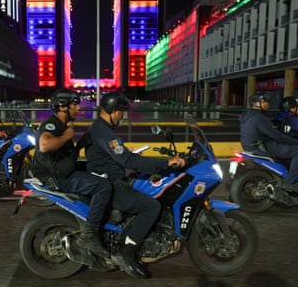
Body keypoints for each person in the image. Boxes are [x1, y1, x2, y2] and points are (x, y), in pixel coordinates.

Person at [84, 91, 185, 279]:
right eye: (121, 112)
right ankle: (126, 252)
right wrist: (165, 162)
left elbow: (116, 156)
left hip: (107, 176)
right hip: (109, 183)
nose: (122, 116)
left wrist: (127, 160)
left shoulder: (99, 128)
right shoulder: (104, 131)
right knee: (151, 206)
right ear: (113, 110)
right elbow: (127, 159)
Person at [31, 88, 113, 258]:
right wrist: (67, 137)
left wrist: (81, 144)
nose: (78, 109)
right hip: (58, 178)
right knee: (103, 186)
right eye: (74, 105)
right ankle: (90, 235)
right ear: (63, 107)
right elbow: (45, 145)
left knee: (102, 172)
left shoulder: (61, 125)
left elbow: (65, 155)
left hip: (64, 171)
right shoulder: (52, 125)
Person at [239, 92, 298, 192]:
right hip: (262, 147)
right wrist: (296, 142)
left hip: (249, 147)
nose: (268, 104)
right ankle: (289, 183)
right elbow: (276, 135)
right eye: (265, 101)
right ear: (257, 103)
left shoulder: (246, 115)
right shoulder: (259, 117)